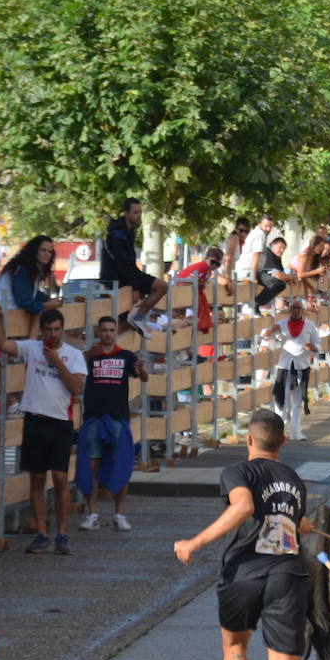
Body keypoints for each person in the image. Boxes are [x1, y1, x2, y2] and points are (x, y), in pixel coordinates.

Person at [173, 409, 312, 660]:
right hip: (287, 576)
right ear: (282, 442)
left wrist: (194, 543)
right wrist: (303, 522)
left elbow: (245, 507)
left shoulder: (238, 472)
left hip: (244, 574)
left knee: (235, 647)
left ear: (248, 440)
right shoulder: (295, 480)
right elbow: (287, 518)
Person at [0, 306, 88, 554]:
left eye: (57, 330)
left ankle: (62, 534)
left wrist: (57, 363)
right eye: (49, 330)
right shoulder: (31, 348)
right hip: (35, 419)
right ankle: (42, 533)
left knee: (61, 478)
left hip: (60, 422)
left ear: (62, 330)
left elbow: (77, 387)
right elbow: (2, 344)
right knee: (37, 478)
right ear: (42, 330)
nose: (53, 334)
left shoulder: (73, 355)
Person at [77, 316, 146, 532]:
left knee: (121, 466)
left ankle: (119, 514)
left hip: (117, 418)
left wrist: (141, 368)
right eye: (104, 330)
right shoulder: (89, 356)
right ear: (98, 332)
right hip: (94, 417)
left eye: (111, 330)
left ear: (116, 332)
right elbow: (74, 372)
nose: (107, 333)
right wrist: (87, 355)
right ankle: (92, 514)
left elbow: (143, 378)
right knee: (91, 467)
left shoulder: (126, 356)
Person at [100, 197, 170, 336]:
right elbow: (121, 263)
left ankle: (136, 318)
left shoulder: (129, 230)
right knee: (161, 287)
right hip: (116, 278)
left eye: (140, 212)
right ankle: (136, 319)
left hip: (129, 273)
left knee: (162, 287)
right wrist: (135, 286)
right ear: (126, 213)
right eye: (135, 212)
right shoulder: (117, 232)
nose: (138, 215)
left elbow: (129, 262)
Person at [262, 300, 320, 441]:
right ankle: (278, 432)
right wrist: (270, 331)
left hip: (302, 365)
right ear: (289, 309)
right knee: (281, 398)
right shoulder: (281, 324)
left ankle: (296, 432)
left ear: (303, 310)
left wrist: (313, 348)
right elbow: (267, 337)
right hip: (285, 365)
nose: (296, 310)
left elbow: (318, 345)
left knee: (298, 401)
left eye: (299, 308)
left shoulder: (310, 325)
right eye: (293, 308)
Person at [2, 236, 63, 316]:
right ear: (34, 251)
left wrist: (48, 299)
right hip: (2, 311)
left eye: (50, 252)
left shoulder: (31, 269)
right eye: (43, 250)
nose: (47, 254)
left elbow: (31, 292)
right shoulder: (23, 269)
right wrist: (47, 304)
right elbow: (24, 302)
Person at [174, 246, 227, 334]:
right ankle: (202, 324)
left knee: (202, 299)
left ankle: (202, 323)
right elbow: (186, 281)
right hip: (181, 290)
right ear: (206, 258)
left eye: (218, 264)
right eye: (212, 262)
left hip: (189, 292)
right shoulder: (202, 267)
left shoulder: (208, 271)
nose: (214, 266)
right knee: (200, 299)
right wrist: (201, 284)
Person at [255, 237, 296, 312]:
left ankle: (257, 304)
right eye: (280, 247)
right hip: (255, 275)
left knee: (280, 284)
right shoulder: (268, 253)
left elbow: (282, 273)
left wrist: (289, 279)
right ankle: (256, 303)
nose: (282, 250)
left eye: (284, 249)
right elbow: (278, 275)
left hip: (262, 276)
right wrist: (291, 278)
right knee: (278, 284)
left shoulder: (276, 256)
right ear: (272, 245)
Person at [235, 216, 274, 284]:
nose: (268, 229)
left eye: (270, 227)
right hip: (248, 272)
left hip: (243, 271)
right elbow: (255, 257)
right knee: (278, 284)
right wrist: (253, 277)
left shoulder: (255, 233)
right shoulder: (260, 234)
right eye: (266, 226)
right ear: (259, 224)